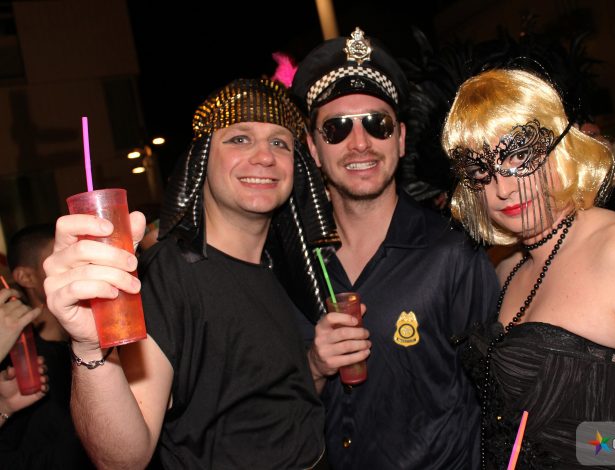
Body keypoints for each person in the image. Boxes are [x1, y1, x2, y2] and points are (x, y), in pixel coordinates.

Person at [42, 78, 331, 469]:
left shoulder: (282, 268)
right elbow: (123, 459)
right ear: (202, 160)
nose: (265, 156)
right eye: (240, 139)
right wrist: (90, 349)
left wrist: (316, 367)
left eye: (280, 142)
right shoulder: (167, 277)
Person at [442, 67, 615, 469]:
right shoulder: (508, 267)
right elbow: (590, 437)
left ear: (561, 146)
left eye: (518, 155)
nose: (503, 188)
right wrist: (594, 447)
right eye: (480, 170)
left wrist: (606, 451)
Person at [291, 27, 499, 469]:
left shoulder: (453, 254)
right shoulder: (298, 264)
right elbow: (276, 415)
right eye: (337, 128)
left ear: (400, 139)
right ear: (313, 148)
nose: (360, 143)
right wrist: (314, 367)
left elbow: (501, 403)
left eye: (377, 124)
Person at [0, 223, 91, 468]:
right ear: (25, 277)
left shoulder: (91, 342)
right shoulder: (15, 357)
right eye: (56, 259)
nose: (72, 268)